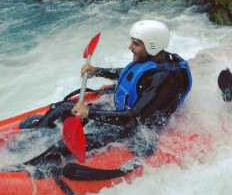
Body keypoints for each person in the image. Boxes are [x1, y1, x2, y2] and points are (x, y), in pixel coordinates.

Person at [21, 20, 193, 172]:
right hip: (124, 112)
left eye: (136, 44)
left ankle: (24, 170)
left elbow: (134, 118)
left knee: (62, 146)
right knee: (61, 108)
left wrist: (90, 113)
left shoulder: (165, 79)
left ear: (152, 45)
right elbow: (132, 75)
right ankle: (30, 139)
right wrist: (97, 71)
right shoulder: (153, 60)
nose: (130, 47)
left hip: (137, 128)